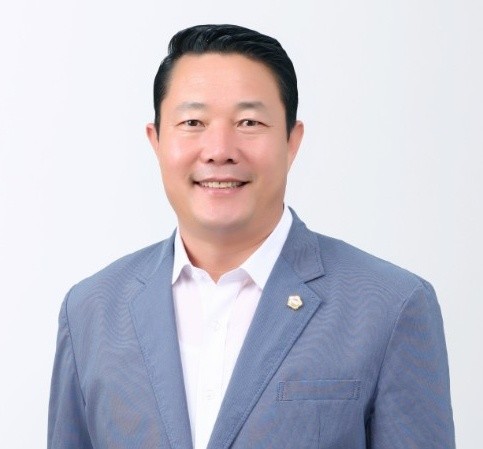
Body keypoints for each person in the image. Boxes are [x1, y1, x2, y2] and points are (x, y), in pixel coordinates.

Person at [48, 24, 455, 449]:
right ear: (157, 140)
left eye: (249, 122)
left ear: (292, 141)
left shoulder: (391, 305)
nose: (219, 150)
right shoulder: (90, 310)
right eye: (192, 122)